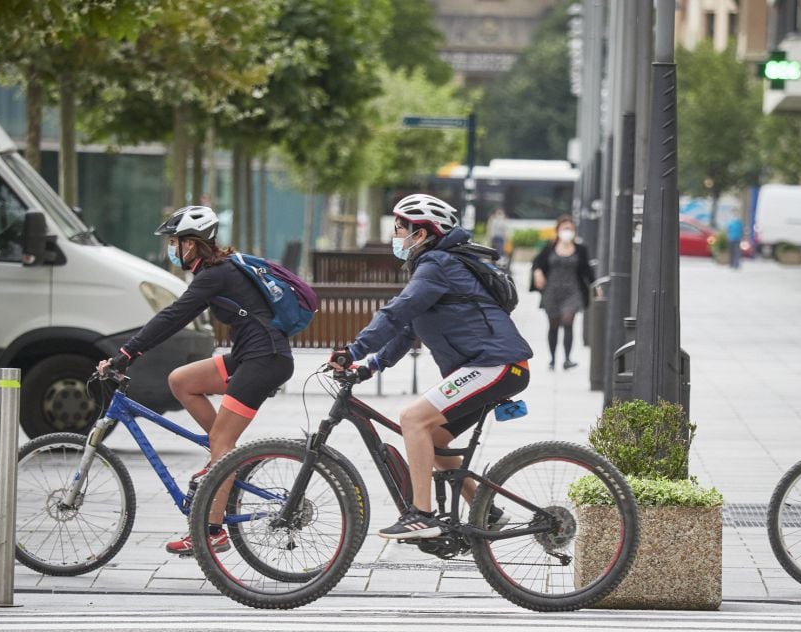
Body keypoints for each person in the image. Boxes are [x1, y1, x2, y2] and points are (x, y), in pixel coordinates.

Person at [330, 193, 533, 540]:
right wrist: (372, 366)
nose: (397, 237)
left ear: (421, 234)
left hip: (496, 364)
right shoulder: (437, 265)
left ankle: (422, 516)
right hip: (492, 365)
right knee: (433, 440)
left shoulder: (437, 264)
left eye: (400, 229)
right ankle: (489, 512)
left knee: (412, 419)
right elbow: (409, 327)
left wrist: (353, 350)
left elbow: (396, 312)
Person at [96, 206, 295, 555]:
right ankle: (224, 457)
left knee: (222, 438)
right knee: (182, 381)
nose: (171, 249)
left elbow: (172, 317)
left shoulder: (213, 275)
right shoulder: (219, 270)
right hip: (253, 354)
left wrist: (125, 354)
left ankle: (212, 531)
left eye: (174, 242)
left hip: (265, 358)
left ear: (191, 244)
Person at [530, 216, 595, 370]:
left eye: (570, 229)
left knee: (568, 320)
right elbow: (537, 263)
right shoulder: (549, 247)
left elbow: (587, 270)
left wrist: (595, 286)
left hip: (573, 291)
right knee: (553, 324)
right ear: (558, 230)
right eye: (564, 228)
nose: (567, 232)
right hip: (552, 291)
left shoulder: (580, 249)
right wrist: (537, 273)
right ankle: (552, 359)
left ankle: (567, 359)